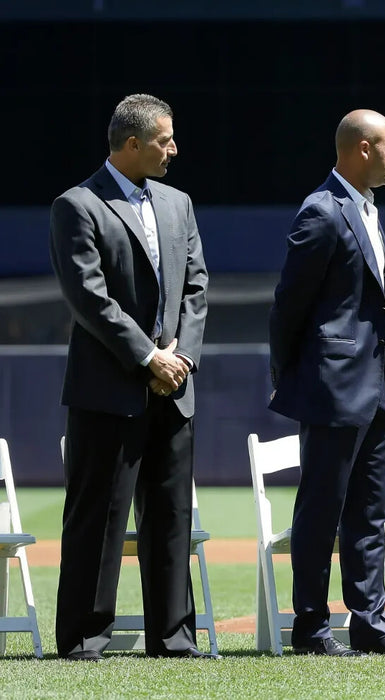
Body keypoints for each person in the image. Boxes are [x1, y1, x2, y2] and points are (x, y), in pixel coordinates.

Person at [48, 94, 212, 660]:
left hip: (175, 387)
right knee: (99, 520)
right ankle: (85, 640)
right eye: (165, 139)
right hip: (108, 390)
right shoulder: (77, 204)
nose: (174, 149)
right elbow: (89, 299)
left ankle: (173, 638)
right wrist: (149, 359)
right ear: (133, 143)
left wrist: (181, 357)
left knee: (170, 517)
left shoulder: (178, 202)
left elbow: (196, 285)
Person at [268, 109, 385, 656]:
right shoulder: (321, 211)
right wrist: (294, 377)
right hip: (334, 387)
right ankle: (311, 630)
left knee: (369, 513)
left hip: (379, 387)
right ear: (361, 149)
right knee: (321, 510)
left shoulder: (368, 209)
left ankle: (370, 625)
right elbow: (289, 304)